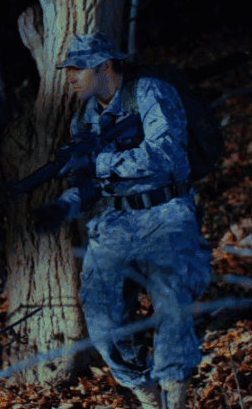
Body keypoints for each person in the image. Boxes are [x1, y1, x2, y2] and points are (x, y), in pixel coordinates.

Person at [33, 32, 211, 409]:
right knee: (102, 315)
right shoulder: (84, 120)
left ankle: (175, 396)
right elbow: (91, 186)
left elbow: (165, 153)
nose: (72, 77)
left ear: (105, 66)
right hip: (117, 219)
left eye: (79, 68)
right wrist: (63, 206)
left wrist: (101, 162)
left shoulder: (150, 93)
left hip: (167, 211)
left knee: (172, 307)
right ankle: (146, 393)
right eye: (69, 70)